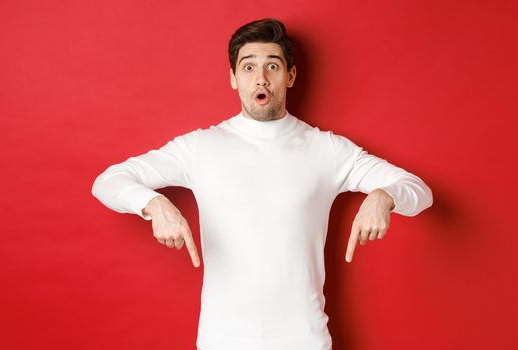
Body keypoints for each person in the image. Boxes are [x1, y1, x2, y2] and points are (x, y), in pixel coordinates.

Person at [91, 18, 433, 350]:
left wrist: (384, 196)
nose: (261, 79)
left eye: (272, 66)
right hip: (222, 341)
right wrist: (154, 205)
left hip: (305, 341)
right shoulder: (199, 148)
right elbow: (108, 181)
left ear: (290, 76)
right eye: (249, 67)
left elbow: (419, 191)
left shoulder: (327, 149)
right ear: (233, 78)